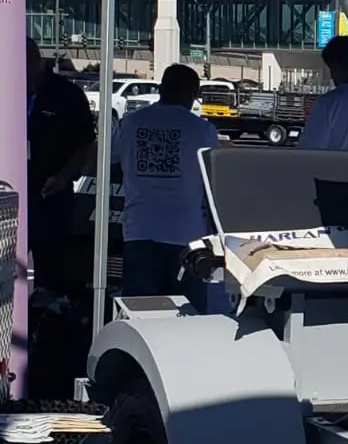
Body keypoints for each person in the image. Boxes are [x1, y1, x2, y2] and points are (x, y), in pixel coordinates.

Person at [45, 64, 218, 300]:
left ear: (161, 89)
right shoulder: (203, 130)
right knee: (187, 316)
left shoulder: (131, 124)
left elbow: (103, 158)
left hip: (140, 230)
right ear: (193, 94)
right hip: (187, 235)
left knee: (139, 312)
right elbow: (214, 176)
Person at [26, 38, 96, 294]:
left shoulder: (66, 94)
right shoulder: (8, 89)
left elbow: (85, 143)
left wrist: (64, 176)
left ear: (36, 62)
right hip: (10, 194)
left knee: (50, 266)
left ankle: (46, 320)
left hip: (50, 193)